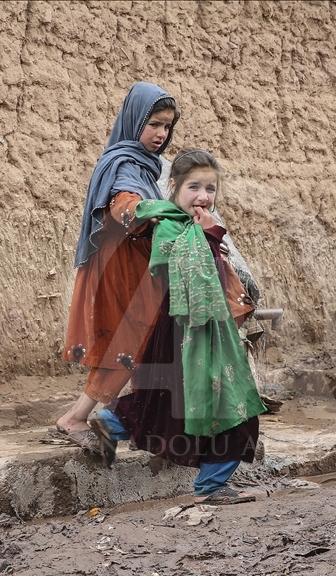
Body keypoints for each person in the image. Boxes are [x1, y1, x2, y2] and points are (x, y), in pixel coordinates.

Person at [87, 149, 267, 505]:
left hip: (203, 332)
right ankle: (211, 486)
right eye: (194, 187)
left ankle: (110, 423)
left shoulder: (195, 226)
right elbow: (177, 270)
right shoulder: (169, 224)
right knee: (230, 407)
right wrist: (211, 235)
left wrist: (210, 233)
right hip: (180, 332)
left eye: (210, 189)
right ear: (173, 187)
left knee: (171, 402)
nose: (203, 197)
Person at [54, 82, 180, 451]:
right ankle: (75, 418)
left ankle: (136, 424)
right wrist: (149, 211)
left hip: (134, 266)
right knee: (129, 342)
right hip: (119, 267)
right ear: (134, 119)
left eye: (167, 127)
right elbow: (124, 201)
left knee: (142, 343)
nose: (161, 134)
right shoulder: (124, 162)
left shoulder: (143, 163)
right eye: (154, 123)